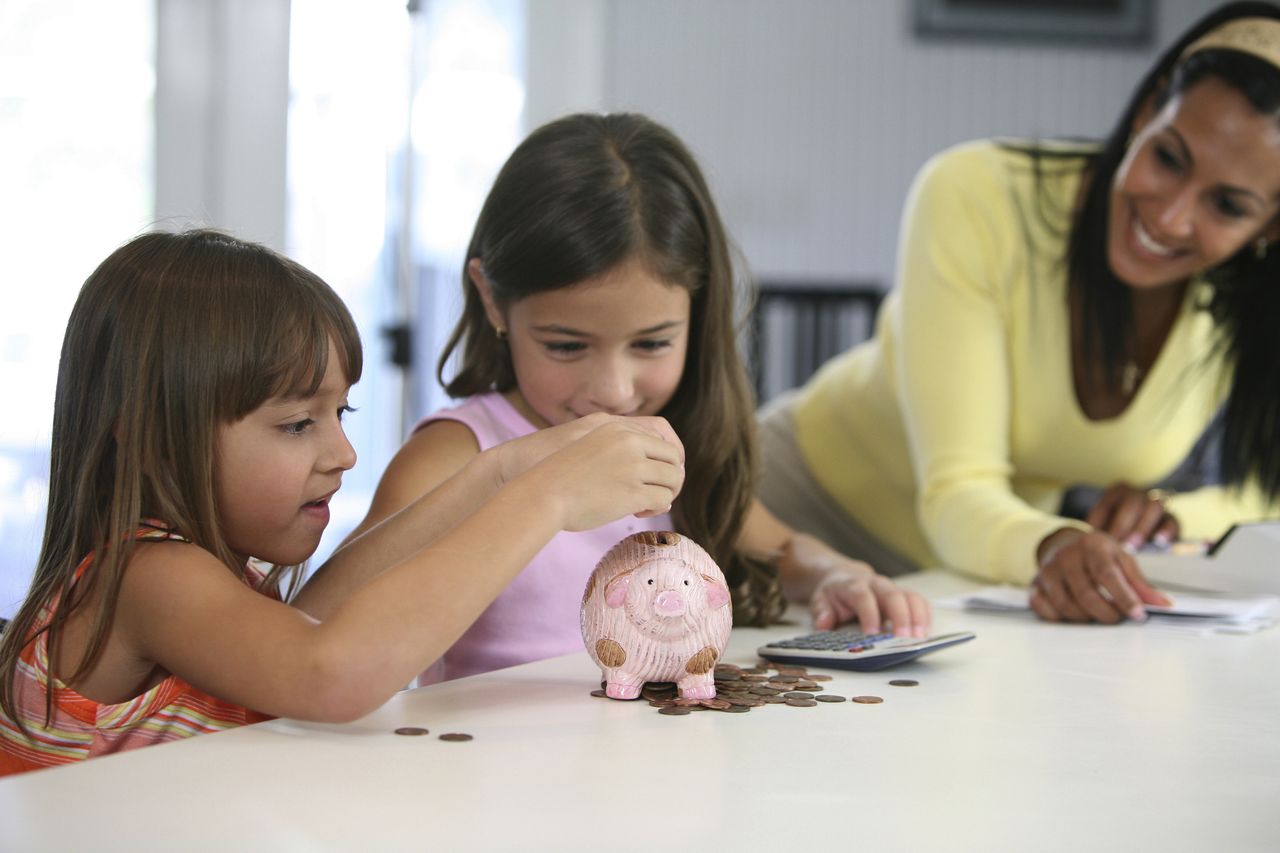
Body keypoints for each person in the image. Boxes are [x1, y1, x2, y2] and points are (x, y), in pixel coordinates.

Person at [0, 229, 685, 775]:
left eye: (343, 413)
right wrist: (547, 498)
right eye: (299, 424)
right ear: (153, 437)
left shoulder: (202, 579)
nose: (343, 454)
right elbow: (333, 670)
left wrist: (499, 473)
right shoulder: (147, 576)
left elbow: (316, 619)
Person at [349, 112, 931, 685]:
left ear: (697, 315)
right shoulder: (459, 454)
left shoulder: (675, 444)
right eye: (567, 346)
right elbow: (333, 623)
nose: (613, 391)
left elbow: (781, 547)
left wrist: (836, 575)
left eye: (652, 343)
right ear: (493, 300)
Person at [759, 1, 1280, 624]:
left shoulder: (1240, 299)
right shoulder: (977, 194)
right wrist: (1055, 541)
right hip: (791, 515)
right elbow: (957, 494)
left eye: (1227, 204)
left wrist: (1171, 513)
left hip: (968, 576)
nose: (1171, 217)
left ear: (1269, 226)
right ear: (1145, 113)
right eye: (1168, 158)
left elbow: (1265, 493)